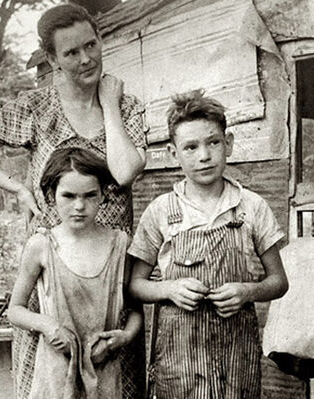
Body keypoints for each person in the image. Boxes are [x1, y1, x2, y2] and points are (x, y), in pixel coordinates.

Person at [0, 4, 147, 398]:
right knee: (48, 382)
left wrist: (107, 104)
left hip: (109, 271)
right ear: (53, 59)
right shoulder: (35, 108)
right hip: (52, 271)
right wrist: (18, 188)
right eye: (71, 53)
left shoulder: (126, 107)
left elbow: (124, 172)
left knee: (112, 380)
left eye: (91, 44)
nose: (86, 58)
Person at [127, 90, 289, 399]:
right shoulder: (161, 211)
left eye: (213, 142)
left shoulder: (251, 207)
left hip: (236, 361)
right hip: (180, 364)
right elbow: (135, 285)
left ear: (228, 143)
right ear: (174, 154)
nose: (204, 155)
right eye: (190, 147)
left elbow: (279, 282)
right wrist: (168, 289)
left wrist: (248, 291)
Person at [8, 147, 143, 398]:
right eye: (68, 196)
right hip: (55, 376)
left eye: (90, 195)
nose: (79, 206)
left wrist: (123, 337)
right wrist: (46, 325)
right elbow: (15, 309)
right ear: (51, 196)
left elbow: (135, 309)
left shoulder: (119, 245)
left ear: (102, 195)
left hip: (103, 373)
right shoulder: (42, 246)